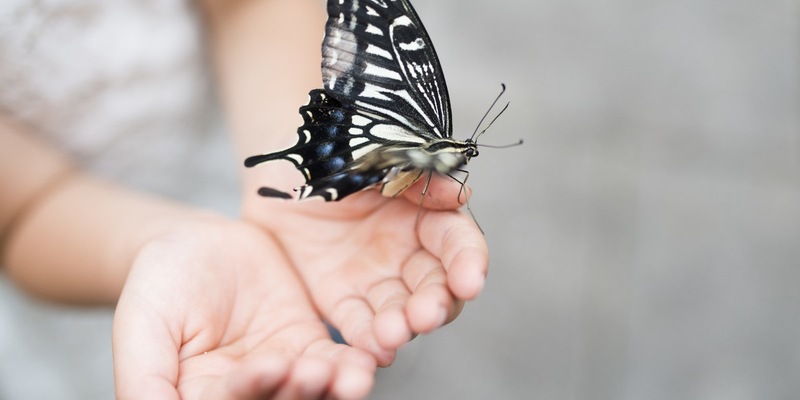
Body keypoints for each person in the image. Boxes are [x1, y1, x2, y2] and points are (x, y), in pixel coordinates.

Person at [0, 0, 489, 399]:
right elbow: (20, 213)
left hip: (255, 146)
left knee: (343, 334)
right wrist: (163, 245)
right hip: (80, 252)